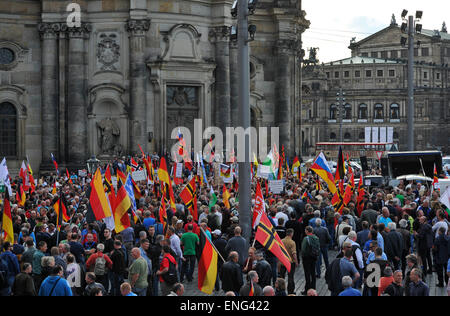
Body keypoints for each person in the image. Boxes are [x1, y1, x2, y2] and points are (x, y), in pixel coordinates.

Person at [301, 226, 320, 295]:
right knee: (313, 272)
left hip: (307, 258)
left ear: (307, 231)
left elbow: (303, 249)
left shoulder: (306, 239)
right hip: (314, 257)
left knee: (307, 274)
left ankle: (307, 289)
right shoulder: (316, 238)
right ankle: (313, 288)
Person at [281, 228, 298, 294]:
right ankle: (290, 291)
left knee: (282, 276)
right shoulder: (292, 242)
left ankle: (281, 290)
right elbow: (294, 253)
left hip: (282, 262)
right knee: (290, 277)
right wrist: (296, 261)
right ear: (291, 234)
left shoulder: (281, 241)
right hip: (290, 262)